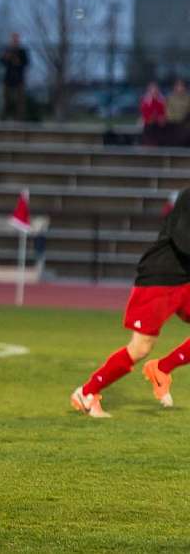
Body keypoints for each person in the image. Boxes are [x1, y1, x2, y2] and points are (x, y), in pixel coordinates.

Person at [72, 187, 190, 418]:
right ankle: (86, 392)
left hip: (186, 279)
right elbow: (184, 240)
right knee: (141, 347)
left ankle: (162, 368)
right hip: (160, 277)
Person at [0, 33, 30, 121]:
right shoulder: (6, 50)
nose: (15, 41)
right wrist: (6, 57)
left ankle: (20, 119)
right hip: (8, 78)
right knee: (6, 100)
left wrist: (18, 62)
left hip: (19, 79)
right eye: (13, 39)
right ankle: (3, 119)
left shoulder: (22, 51)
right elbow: (1, 61)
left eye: (16, 39)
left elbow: (26, 62)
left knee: (20, 101)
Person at [140, 82, 167, 147]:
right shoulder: (145, 100)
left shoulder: (161, 100)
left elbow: (163, 112)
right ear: (149, 90)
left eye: (155, 89)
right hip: (149, 123)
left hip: (158, 123)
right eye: (152, 89)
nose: (154, 91)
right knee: (149, 127)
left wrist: (161, 117)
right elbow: (144, 113)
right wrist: (150, 118)